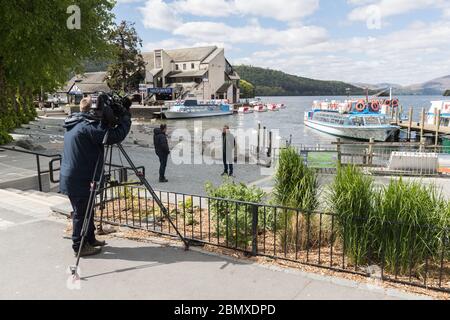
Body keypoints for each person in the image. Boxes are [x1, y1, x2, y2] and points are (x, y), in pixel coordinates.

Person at [60, 96, 132, 257]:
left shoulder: (75, 122)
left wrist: (105, 120)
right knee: (81, 213)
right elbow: (116, 135)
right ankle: (79, 246)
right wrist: (126, 118)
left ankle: (90, 239)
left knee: (87, 210)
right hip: (80, 178)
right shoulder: (89, 128)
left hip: (75, 175)